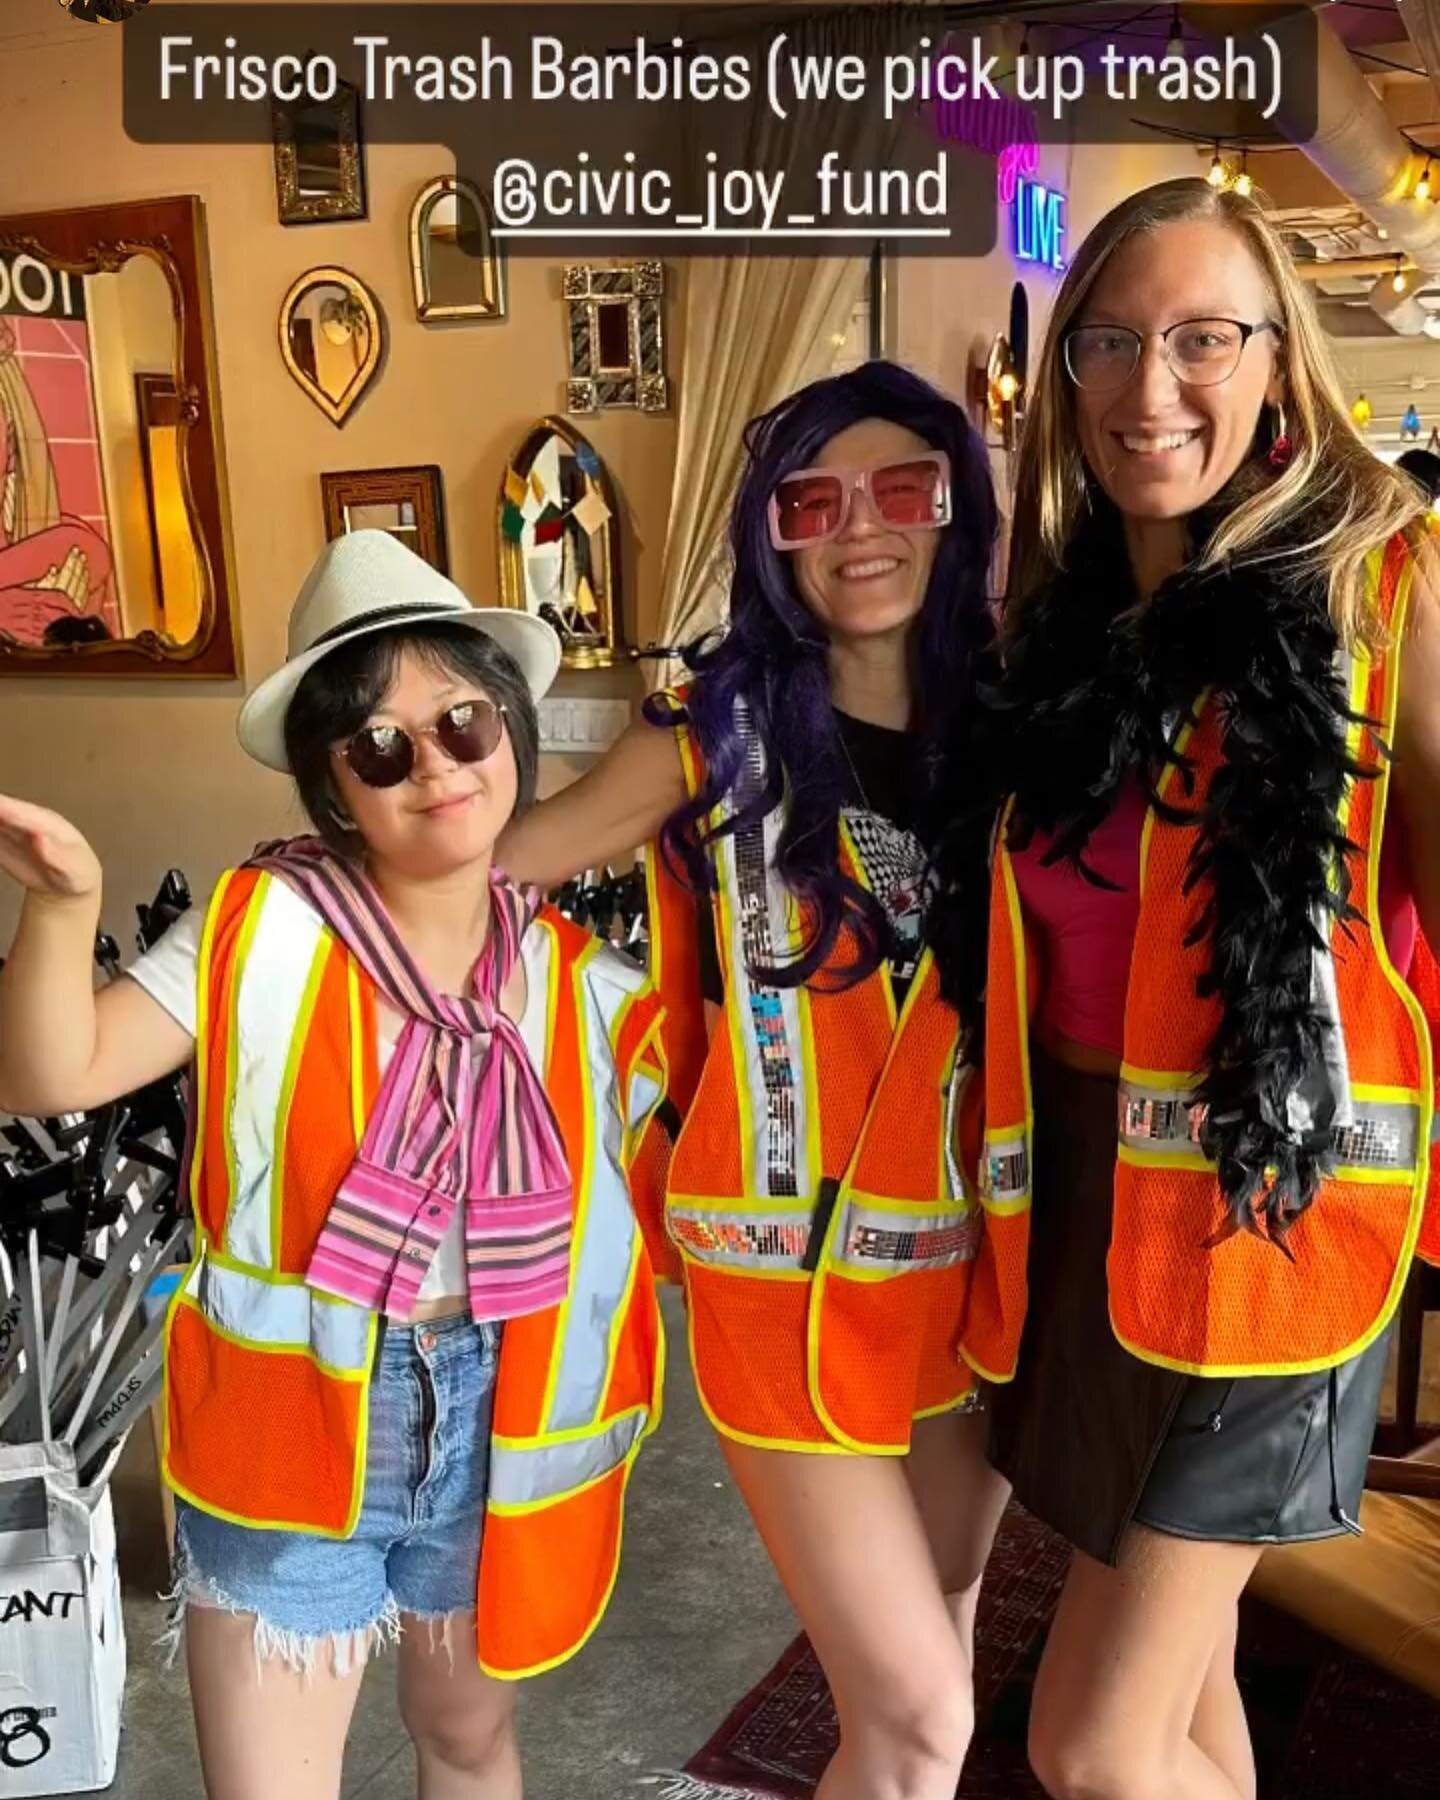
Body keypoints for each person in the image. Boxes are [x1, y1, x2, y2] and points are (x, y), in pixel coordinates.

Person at [0, 530, 668, 1800]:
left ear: (511, 730)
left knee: (469, 1740)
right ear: (333, 787)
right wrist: (62, 908)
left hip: (507, 1417)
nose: (436, 766)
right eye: (379, 747)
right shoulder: (261, 930)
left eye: (464, 722)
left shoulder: (586, 979)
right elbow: (48, 1072)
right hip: (293, 1421)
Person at [928, 177, 1440, 1800]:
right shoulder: (1055, 636)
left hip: (1270, 1229)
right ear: (1065, 380)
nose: (1155, 388)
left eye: (1204, 339)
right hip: (1081, 1216)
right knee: (1191, 1692)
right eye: (1111, 343)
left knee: (1095, 1740)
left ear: (1282, 363)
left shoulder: (1382, 592)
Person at [498, 360, 1015, 1800]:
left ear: (956, 508)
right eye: (812, 499)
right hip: (778, 1300)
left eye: (904, 487)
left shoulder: (1027, 733)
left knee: (925, 1680)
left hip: (971, 1292)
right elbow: (504, 863)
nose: (861, 526)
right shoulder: (706, 741)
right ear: (769, 531)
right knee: (919, 1726)